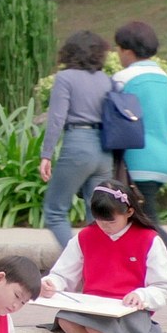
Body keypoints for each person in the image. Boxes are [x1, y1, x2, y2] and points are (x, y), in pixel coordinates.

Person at [41, 179, 167, 333]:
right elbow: (63, 274)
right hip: (93, 307)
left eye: (111, 221)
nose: (104, 226)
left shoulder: (148, 239)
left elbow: (163, 285)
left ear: (129, 212)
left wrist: (141, 295)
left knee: (95, 328)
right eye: (99, 219)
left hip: (130, 310)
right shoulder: (85, 237)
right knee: (65, 320)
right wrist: (52, 284)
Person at [112, 21, 167, 297]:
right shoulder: (165, 79)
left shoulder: (124, 78)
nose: (118, 54)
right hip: (163, 156)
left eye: (119, 49)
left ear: (127, 50)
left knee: (145, 220)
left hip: (138, 156)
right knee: (136, 219)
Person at [39, 30, 113, 248]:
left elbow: (56, 118)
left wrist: (46, 154)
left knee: (54, 210)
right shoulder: (105, 80)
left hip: (78, 144)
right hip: (104, 150)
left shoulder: (65, 78)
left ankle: (78, 261)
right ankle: (98, 264)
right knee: (98, 216)